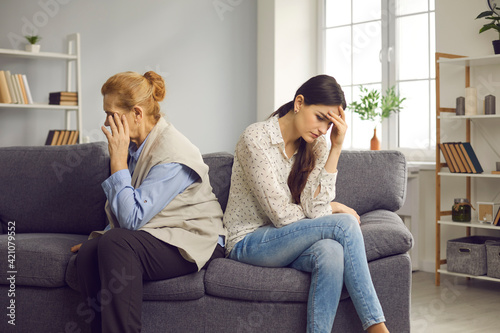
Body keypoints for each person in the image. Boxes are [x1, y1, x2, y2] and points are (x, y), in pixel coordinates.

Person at [223, 75, 390, 333]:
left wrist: (336, 147)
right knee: (344, 225)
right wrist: (333, 208)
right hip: (248, 241)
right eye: (321, 117)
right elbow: (280, 215)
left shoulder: (318, 144)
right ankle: (377, 328)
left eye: (330, 123)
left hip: (287, 240)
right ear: (299, 103)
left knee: (331, 253)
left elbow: (313, 208)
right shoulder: (255, 138)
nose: (324, 128)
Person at [70, 71, 226, 333]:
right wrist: (98, 239)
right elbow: (132, 208)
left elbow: (131, 221)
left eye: (112, 113)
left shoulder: (173, 152)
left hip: (194, 239)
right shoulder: (135, 146)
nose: (107, 122)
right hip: (161, 233)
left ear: (137, 114)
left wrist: (117, 163)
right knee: (88, 254)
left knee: (116, 242)